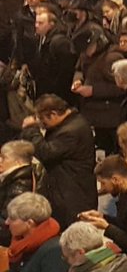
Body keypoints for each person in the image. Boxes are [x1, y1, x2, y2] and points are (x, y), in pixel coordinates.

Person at [19, 95, 97, 227]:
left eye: (43, 120)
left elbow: (45, 153)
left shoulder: (71, 131)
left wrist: (32, 130)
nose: (42, 125)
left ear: (53, 114)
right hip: (68, 190)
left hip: (73, 196)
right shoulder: (70, 123)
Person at [0, 140, 38, 246]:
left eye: (4, 158)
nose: (0, 161)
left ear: (18, 162)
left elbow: (7, 219)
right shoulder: (12, 178)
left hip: (7, 239)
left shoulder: (21, 183)